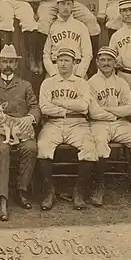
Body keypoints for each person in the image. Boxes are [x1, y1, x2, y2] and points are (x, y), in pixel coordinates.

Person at [88, 46, 131, 207]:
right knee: (99, 142)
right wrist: (116, 112)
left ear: (115, 63)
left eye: (109, 60)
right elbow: (93, 112)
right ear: (97, 62)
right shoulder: (91, 83)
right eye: (102, 60)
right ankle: (99, 186)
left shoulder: (121, 82)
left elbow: (129, 109)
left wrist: (108, 110)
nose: (106, 63)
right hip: (99, 123)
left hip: (120, 123)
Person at [0, 45, 40, 221]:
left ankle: (22, 191)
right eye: (4, 61)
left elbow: (35, 107)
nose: (7, 65)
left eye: (11, 62)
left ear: (16, 65)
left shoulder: (25, 85)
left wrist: (30, 118)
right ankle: (2, 199)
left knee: (31, 148)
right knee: (3, 149)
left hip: (20, 128)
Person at [37, 48, 98, 211]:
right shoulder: (48, 82)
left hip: (77, 123)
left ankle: (78, 191)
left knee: (89, 148)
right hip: (53, 123)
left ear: (74, 63)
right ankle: (49, 191)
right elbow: (44, 108)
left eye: (67, 60)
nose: (63, 64)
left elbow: (84, 106)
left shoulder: (81, 82)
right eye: (60, 60)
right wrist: (67, 109)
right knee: (42, 147)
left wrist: (58, 103)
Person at [43, 0, 93, 79]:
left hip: (76, 67)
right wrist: (53, 74)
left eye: (68, 4)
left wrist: (79, 74)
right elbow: (46, 54)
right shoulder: (51, 26)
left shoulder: (81, 26)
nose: (66, 7)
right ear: (58, 5)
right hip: (56, 68)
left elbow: (87, 54)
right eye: (62, 4)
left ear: (72, 5)